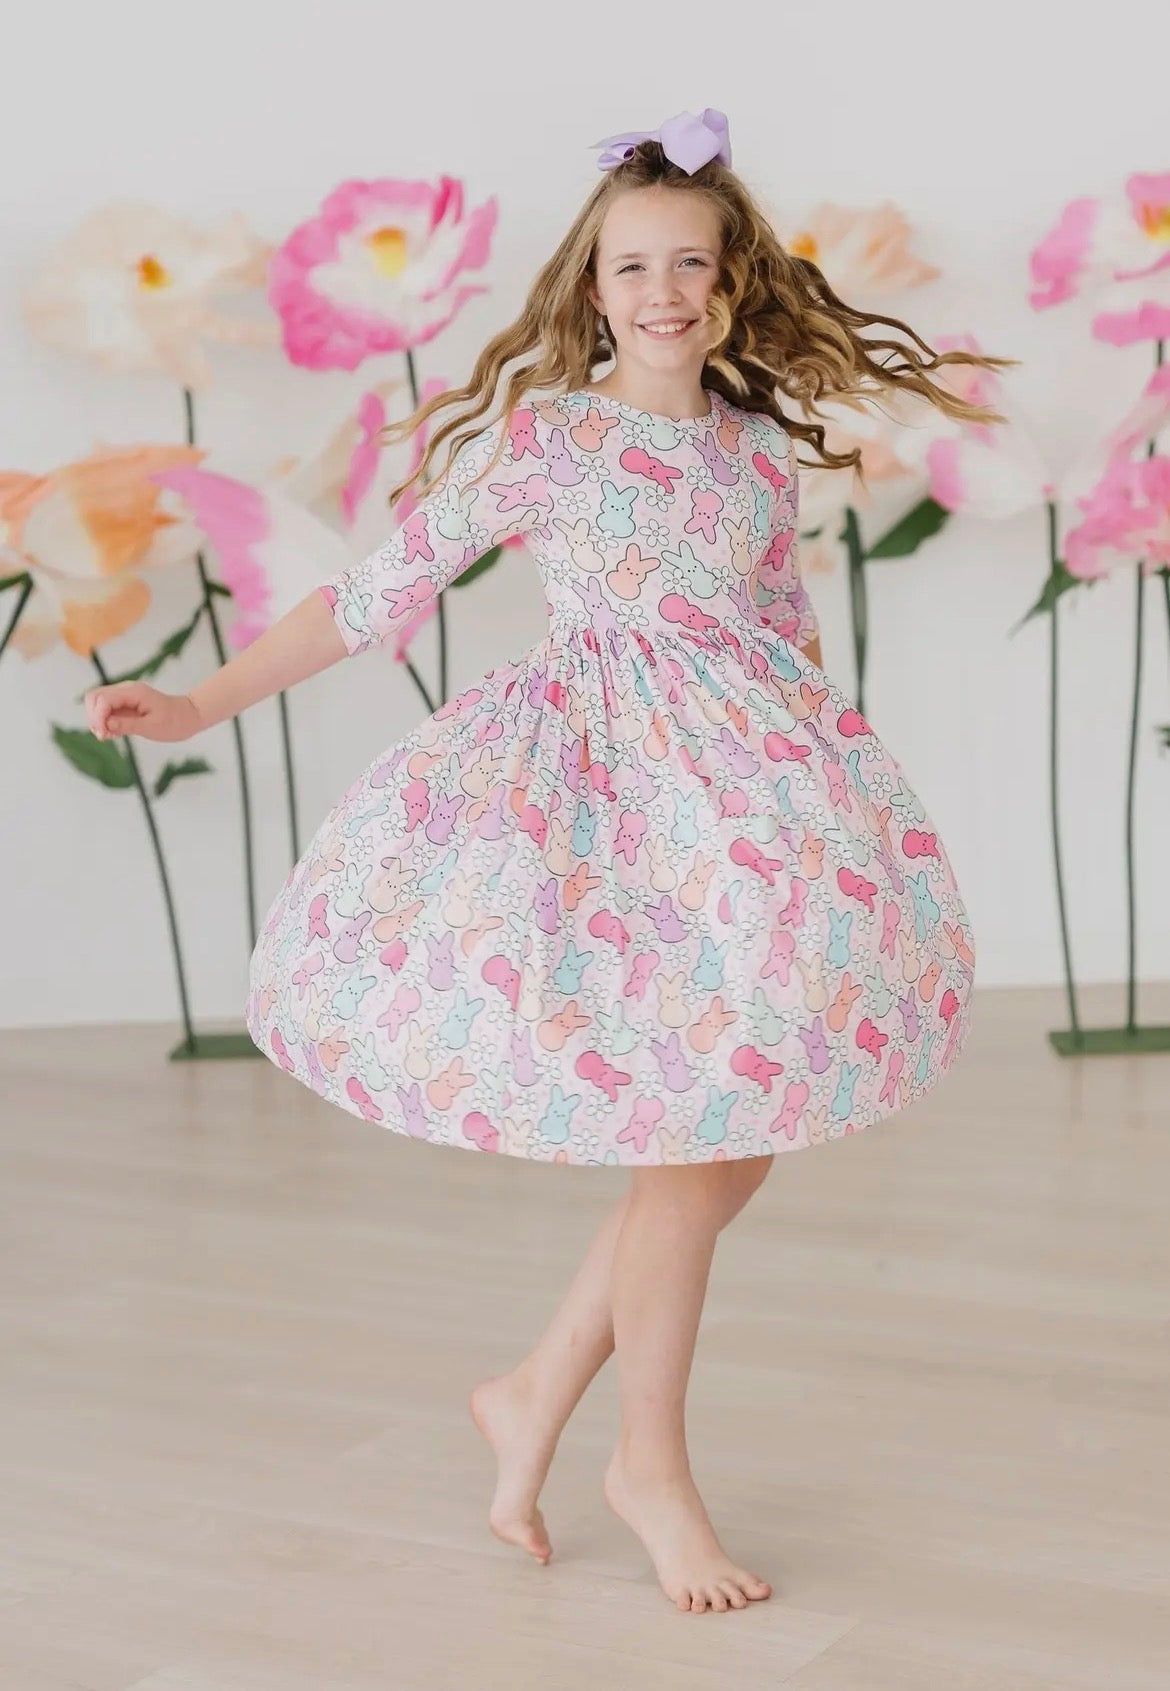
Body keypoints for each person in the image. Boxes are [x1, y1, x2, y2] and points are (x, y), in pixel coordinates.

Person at [85, 108, 1001, 1616]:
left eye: (689, 264)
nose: (661, 292)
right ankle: (649, 1466)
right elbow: (375, 593)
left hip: (743, 814)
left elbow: (779, 632)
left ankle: (530, 1397)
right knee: (694, 1142)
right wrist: (200, 702)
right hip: (602, 813)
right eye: (631, 267)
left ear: (731, 281)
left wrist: (827, 792)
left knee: (732, 1135)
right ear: (592, 287)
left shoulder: (753, 453)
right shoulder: (552, 441)